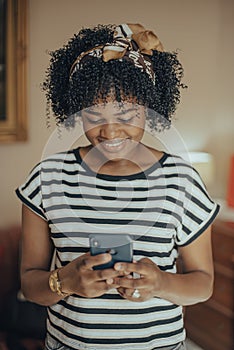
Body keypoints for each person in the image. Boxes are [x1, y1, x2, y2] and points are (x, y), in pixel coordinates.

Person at [16, 23, 219, 350]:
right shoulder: (47, 177)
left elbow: (203, 283)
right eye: (94, 115)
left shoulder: (181, 179)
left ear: (150, 109)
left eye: (127, 114)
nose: (110, 132)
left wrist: (160, 283)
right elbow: (30, 281)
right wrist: (65, 281)